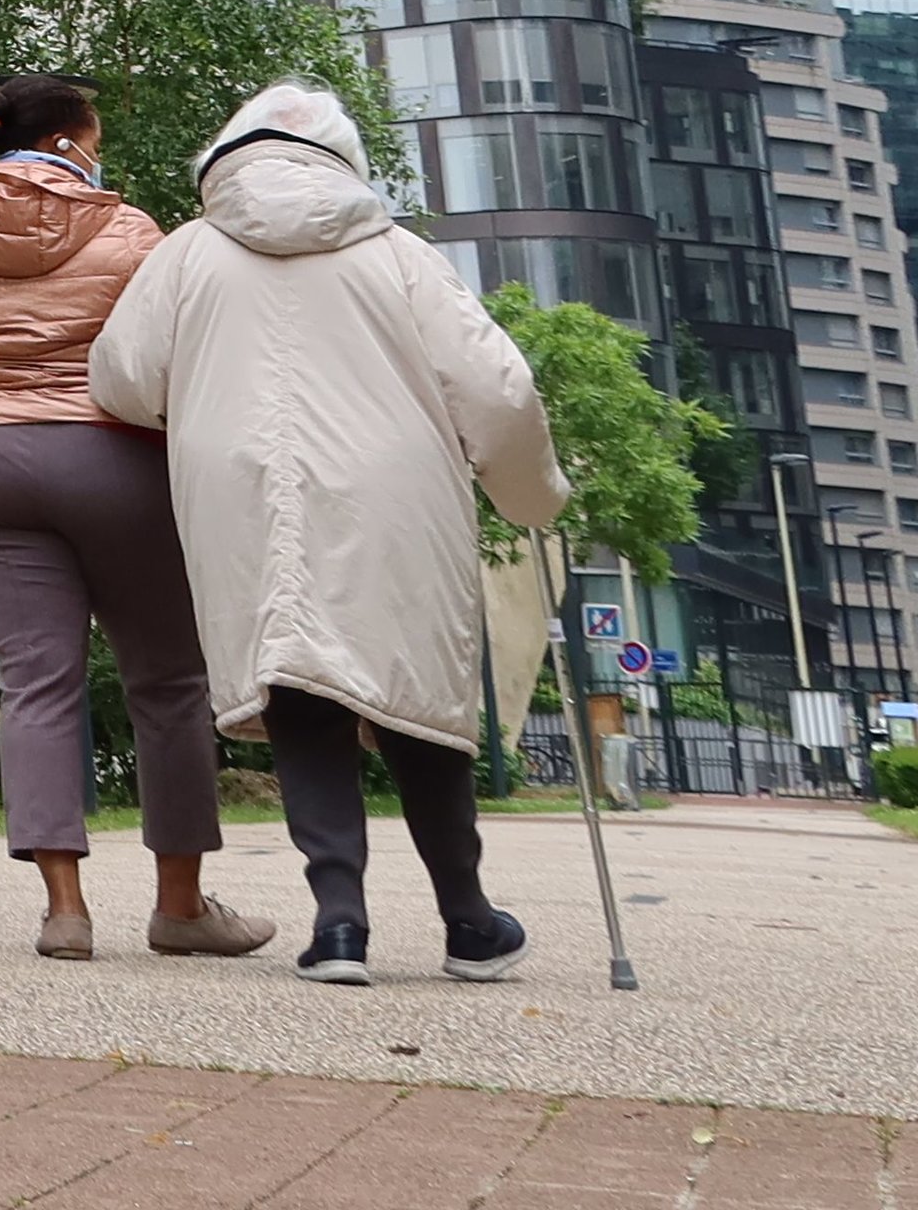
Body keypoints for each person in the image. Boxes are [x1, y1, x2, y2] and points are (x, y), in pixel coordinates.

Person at [91, 79, 572, 987]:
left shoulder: (188, 253)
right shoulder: (400, 254)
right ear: (341, 160)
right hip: (397, 490)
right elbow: (498, 389)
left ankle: (338, 923)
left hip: (244, 493)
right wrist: (533, 497)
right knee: (418, 694)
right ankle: (468, 920)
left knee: (300, 683)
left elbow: (119, 377)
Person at [0, 71, 270, 961]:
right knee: (167, 681)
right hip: (114, 456)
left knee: (38, 681)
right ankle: (179, 906)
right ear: (74, 137)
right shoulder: (129, 227)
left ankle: (65, 911)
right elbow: (161, 358)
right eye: (96, 135)